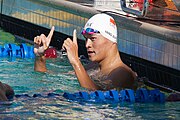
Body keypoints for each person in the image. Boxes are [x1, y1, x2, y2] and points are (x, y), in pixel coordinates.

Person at [34, 13, 137, 91]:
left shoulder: (123, 73)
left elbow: (97, 95)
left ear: (111, 39)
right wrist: (40, 57)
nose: (87, 44)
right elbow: (47, 79)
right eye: (86, 39)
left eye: (92, 39)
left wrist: (76, 62)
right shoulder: (92, 67)